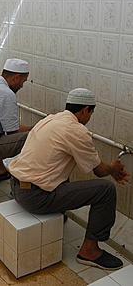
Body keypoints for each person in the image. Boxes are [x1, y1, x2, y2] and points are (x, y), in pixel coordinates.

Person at [8, 88, 130, 271]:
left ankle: (57, 212)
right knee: (106, 190)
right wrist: (112, 168)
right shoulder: (76, 131)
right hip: (34, 197)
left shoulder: (50, 119)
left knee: (60, 168)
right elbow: (99, 171)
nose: (90, 118)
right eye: (91, 113)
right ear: (85, 110)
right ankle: (90, 251)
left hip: (15, 187)